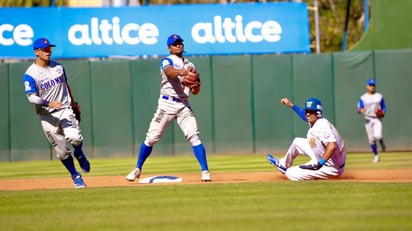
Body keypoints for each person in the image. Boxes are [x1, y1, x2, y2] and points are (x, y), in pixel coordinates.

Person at [126, 34, 211, 182]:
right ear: (169, 47)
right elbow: (169, 72)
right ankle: (137, 168)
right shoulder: (167, 60)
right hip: (166, 104)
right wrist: (181, 72)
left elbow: (196, 92)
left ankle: (205, 171)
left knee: (194, 136)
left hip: (184, 105)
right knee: (151, 138)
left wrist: (196, 85)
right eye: (175, 43)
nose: (178, 45)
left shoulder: (191, 65)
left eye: (180, 43)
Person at [23, 38, 90, 188]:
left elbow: (66, 85)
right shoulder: (30, 74)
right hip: (47, 115)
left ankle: (79, 153)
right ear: (36, 52)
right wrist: (48, 103)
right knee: (62, 152)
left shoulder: (58, 67)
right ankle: (75, 176)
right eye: (45, 49)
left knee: (75, 138)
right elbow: (31, 97)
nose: (48, 52)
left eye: (49, 49)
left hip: (64, 109)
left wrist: (73, 103)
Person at [266, 97, 346, 181]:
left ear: (318, 113)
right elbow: (304, 115)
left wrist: (320, 163)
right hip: (329, 160)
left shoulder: (322, 127)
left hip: (331, 167)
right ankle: (283, 165)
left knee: (290, 173)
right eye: (307, 111)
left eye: (311, 111)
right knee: (297, 142)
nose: (307, 114)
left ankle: (320, 177)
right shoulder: (316, 120)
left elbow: (332, 145)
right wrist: (291, 105)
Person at [357, 79, 387, 163]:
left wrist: (383, 112)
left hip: (377, 118)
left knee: (378, 136)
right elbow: (359, 108)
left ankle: (381, 141)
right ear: (367, 86)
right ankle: (376, 156)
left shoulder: (379, 96)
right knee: (371, 139)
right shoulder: (363, 97)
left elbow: (383, 107)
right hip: (368, 119)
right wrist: (361, 110)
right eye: (370, 85)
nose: (372, 87)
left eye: (373, 85)